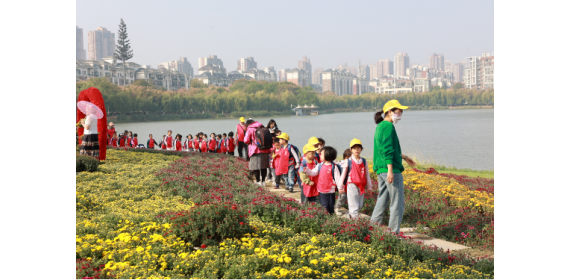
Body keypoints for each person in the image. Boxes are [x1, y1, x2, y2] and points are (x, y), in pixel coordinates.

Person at [370, 100, 416, 234]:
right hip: (390, 171)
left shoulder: (380, 126)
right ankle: (393, 234)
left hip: (381, 170)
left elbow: (385, 149)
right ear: (390, 112)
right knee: (397, 203)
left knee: (382, 200)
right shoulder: (388, 126)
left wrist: (405, 157)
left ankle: (371, 229)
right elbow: (387, 149)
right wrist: (390, 170)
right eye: (398, 111)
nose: (400, 114)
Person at [338, 139, 373, 218]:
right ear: (351, 149)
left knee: (360, 205)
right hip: (351, 184)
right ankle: (354, 221)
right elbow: (343, 174)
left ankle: (349, 215)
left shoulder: (364, 161)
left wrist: (369, 187)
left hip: (361, 186)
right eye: (354, 148)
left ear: (361, 149)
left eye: (358, 148)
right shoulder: (348, 161)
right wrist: (340, 186)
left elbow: (367, 175)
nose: (356, 150)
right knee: (354, 206)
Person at [303, 146, 343, 214]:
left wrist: (340, 187)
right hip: (321, 189)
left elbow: (337, 178)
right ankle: (326, 217)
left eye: (321, 154)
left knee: (331, 205)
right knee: (324, 206)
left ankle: (331, 216)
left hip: (331, 190)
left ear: (327, 155)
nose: (320, 155)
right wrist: (308, 170)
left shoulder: (334, 167)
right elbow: (314, 173)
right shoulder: (320, 165)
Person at [244, 119, 271, 186]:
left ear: (248, 124)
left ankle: (258, 181)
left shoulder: (250, 129)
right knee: (263, 166)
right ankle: (263, 182)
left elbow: (246, 140)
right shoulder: (262, 127)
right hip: (265, 150)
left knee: (255, 166)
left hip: (255, 150)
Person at [334, 149, 352, 215]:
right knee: (342, 196)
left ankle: (351, 210)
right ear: (346, 158)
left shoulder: (342, 163)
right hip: (343, 184)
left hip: (349, 183)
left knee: (349, 196)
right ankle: (337, 208)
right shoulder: (342, 164)